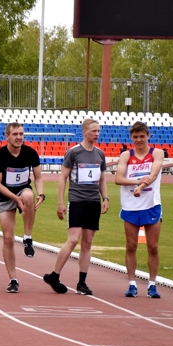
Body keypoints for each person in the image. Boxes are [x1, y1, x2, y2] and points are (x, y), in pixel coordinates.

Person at [43, 118, 109, 296]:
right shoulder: (73, 152)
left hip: (93, 202)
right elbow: (62, 178)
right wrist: (60, 202)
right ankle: (54, 275)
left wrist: (106, 198)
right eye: (94, 131)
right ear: (85, 131)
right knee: (73, 240)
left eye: (98, 131)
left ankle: (82, 282)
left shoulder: (100, 154)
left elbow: (102, 179)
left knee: (87, 242)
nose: (97, 134)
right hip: (77, 201)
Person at [0, 122, 46, 293]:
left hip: (23, 190)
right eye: (15, 134)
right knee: (8, 238)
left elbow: (38, 177)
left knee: (28, 195)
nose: (19, 137)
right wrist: (15, 198)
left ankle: (28, 237)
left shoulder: (30, 153)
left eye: (21, 134)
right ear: (6, 136)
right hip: (5, 195)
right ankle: (13, 279)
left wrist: (41, 194)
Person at [115, 121, 164, 298]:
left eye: (142, 136)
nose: (139, 140)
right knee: (131, 245)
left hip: (151, 205)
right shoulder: (126, 155)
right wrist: (137, 183)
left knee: (153, 247)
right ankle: (132, 284)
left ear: (148, 136)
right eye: (135, 137)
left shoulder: (157, 153)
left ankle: (152, 284)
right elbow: (118, 179)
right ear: (131, 138)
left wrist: (142, 187)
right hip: (130, 206)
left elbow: (153, 174)